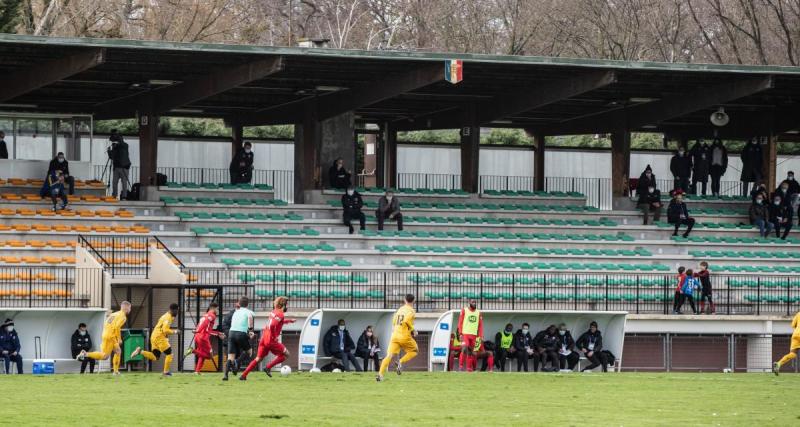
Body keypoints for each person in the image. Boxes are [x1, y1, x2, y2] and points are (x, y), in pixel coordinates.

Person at [240, 296, 295, 380]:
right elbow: (272, 325)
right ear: (284, 305)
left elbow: (277, 322)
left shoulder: (274, 311)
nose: (287, 306)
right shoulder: (280, 314)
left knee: (258, 359)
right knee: (286, 354)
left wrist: (289, 321)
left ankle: (244, 375)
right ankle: (268, 367)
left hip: (264, 338)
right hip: (271, 340)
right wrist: (274, 336)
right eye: (287, 304)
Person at [78, 301, 131, 375]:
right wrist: (119, 338)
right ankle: (85, 354)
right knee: (104, 356)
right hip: (110, 336)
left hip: (107, 334)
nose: (130, 310)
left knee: (118, 351)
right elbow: (117, 327)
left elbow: (107, 323)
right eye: (130, 308)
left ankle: (115, 371)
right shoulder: (123, 317)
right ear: (127, 308)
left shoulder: (114, 314)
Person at [377, 293, 418, 382]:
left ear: (404, 300)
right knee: (414, 351)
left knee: (389, 356)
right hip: (404, 336)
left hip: (395, 335)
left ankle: (380, 374)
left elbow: (394, 321)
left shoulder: (400, 309)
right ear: (414, 300)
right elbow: (406, 320)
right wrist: (413, 330)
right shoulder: (411, 311)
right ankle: (400, 362)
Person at [130, 303, 180, 376]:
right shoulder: (168, 317)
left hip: (154, 336)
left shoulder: (166, 315)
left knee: (155, 357)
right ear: (173, 310)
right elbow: (165, 330)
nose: (177, 312)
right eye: (177, 311)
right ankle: (166, 372)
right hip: (159, 337)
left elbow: (161, 327)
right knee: (169, 354)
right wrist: (175, 331)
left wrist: (166, 337)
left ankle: (140, 351)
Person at [185, 302, 225, 374]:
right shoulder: (212, 315)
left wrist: (218, 333)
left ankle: (197, 371)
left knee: (202, 354)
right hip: (203, 338)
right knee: (210, 356)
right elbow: (205, 323)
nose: (218, 310)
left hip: (198, 336)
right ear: (214, 308)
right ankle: (192, 351)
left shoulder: (205, 315)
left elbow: (207, 329)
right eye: (217, 309)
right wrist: (198, 330)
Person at [223, 297, 255, 381]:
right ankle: (237, 361)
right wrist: (251, 330)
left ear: (239, 304)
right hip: (241, 333)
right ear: (248, 304)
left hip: (231, 333)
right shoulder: (248, 312)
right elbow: (250, 318)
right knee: (249, 352)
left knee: (230, 357)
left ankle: (225, 376)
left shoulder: (235, 312)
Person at [457, 299, 483, 372]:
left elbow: (480, 325)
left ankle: (469, 368)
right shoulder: (464, 310)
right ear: (469, 303)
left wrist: (481, 335)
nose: (474, 303)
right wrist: (460, 333)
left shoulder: (478, 313)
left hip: (474, 335)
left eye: (475, 302)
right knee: (465, 348)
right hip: (465, 334)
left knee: (471, 351)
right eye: (473, 302)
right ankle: (461, 366)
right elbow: (460, 322)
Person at [773, 310, 800, 375]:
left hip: (796, 334)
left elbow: (793, 325)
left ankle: (778, 364)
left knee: (793, 354)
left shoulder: (798, 313)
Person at [107, 131, 131, 200]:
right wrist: (109, 151)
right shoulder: (116, 147)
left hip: (124, 167)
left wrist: (117, 144)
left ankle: (124, 196)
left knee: (124, 183)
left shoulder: (125, 145)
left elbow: (122, 145)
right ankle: (114, 195)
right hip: (116, 167)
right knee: (114, 182)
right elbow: (112, 157)